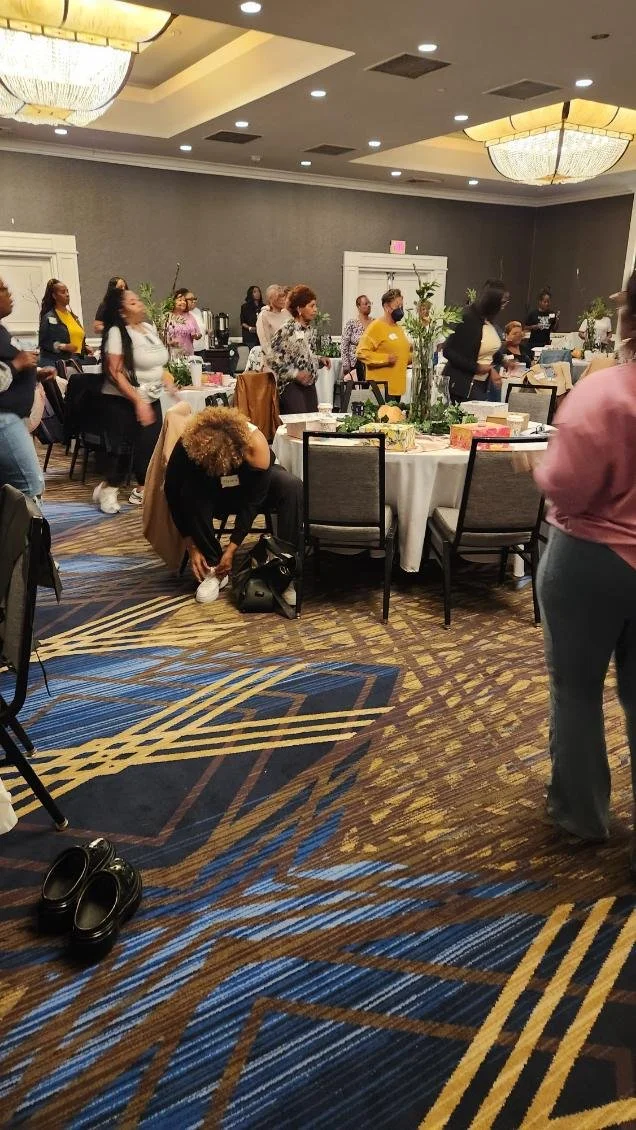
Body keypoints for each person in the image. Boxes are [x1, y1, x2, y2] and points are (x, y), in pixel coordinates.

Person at [534, 271, 636, 874]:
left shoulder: (603, 394)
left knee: (575, 690)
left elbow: (567, 486)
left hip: (591, 559)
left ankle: (582, 814)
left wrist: (538, 473)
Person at [164, 406, 302, 606]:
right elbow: (172, 492)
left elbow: (253, 502)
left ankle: (284, 567)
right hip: (214, 492)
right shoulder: (189, 445)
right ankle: (213, 567)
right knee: (190, 492)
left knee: (291, 486)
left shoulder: (255, 444)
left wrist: (232, 548)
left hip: (249, 489)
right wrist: (191, 544)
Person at [96, 287, 176, 513]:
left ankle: (142, 489)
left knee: (150, 447)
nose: (139, 304)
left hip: (151, 396)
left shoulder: (148, 328)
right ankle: (108, 490)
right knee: (122, 449)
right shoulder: (117, 332)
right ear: (122, 312)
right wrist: (138, 401)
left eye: (138, 300)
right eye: (132, 303)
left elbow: (156, 362)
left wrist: (167, 380)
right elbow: (114, 373)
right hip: (122, 400)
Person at [0, 276, 54, 498]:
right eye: (2, 289)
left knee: (9, 486)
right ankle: (29, 523)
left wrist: (36, 375)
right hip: (3, 419)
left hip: (11, 417)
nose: (9, 293)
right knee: (30, 486)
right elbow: (9, 368)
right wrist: (18, 364)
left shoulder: (1, 330)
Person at [443, 281, 508, 403]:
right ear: (493, 301)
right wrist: (477, 367)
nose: (504, 305)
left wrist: (503, 361)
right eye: (503, 302)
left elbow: (486, 349)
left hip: (482, 384)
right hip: (463, 385)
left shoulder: (488, 321)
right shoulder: (469, 320)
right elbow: (448, 351)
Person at [269, 285, 330, 414]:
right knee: (299, 424)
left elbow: (306, 356)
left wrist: (320, 360)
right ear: (299, 309)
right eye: (311, 306)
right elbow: (272, 359)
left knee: (313, 422)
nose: (315, 310)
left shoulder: (309, 330)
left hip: (309, 385)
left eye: (315, 306)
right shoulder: (287, 330)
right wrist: (296, 374)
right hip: (290, 387)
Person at [356, 289, 411, 399]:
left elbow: (401, 355)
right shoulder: (376, 326)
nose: (400, 309)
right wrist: (386, 359)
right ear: (387, 307)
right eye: (397, 306)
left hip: (397, 389)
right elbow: (361, 353)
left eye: (401, 306)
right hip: (381, 389)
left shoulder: (398, 329)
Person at [38, 279, 93, 368]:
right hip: (58, 363)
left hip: (76, 361)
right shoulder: (49, 317)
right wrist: (62, 346)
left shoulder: (73, 317)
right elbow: (44, 342)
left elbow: (76, 337)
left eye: (67, 291)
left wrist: (85, 347)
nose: (67, 294)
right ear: (54, 296)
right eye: (63, 292)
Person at [341, 295, 373, 381]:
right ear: (358, 306)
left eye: (369, 303)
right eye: (365, 304)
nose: (369, 305)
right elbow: (344, 344)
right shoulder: (352, 323)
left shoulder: (374, 323)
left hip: (370, 362)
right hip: (354, 363)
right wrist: (345, 364)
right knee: (356, 387)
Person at [256, 285, 291, 356]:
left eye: (283, 296)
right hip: (274, 357)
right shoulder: (264, 316)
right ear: (271, 299)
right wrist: (274, 359)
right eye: (280, 297)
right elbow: (265, 343)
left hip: (290, 355)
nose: (283, 299)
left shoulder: (287, 313)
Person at [166, 289, 202, 357]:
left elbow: (198, 333)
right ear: (172, 302)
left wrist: (196, 336)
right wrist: (169, 342)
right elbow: (159, 336)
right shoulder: (166, 316)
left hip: (188, 356)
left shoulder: (190, 316)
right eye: (180, 300)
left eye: (184, 300)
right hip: (171, 355)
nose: (183, 302)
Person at [184, 290, 206, 354]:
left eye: (195, 299)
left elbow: (199, 327)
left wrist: (206, 330)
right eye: (191, 299)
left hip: (201, 348)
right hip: (189, 350)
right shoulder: (183, 313)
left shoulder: (197, 311)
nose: (194, 301)